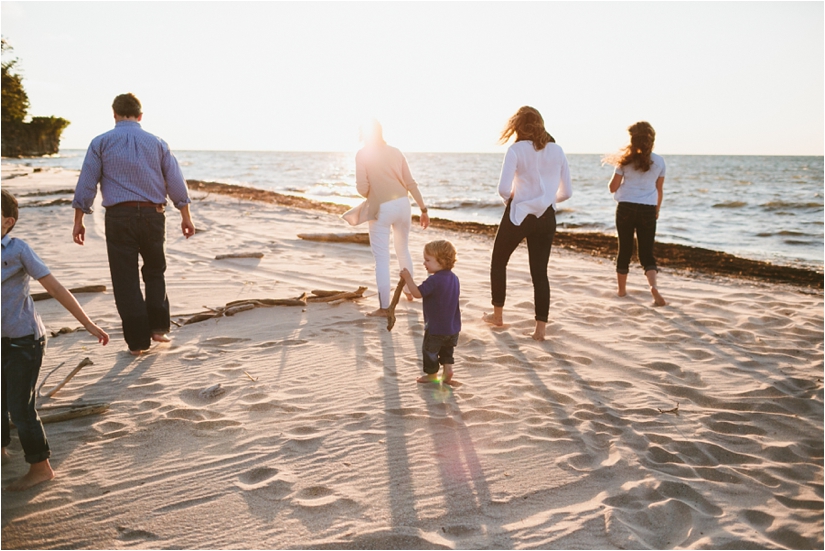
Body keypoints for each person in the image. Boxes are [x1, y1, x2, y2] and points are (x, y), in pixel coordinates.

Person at [72, 93, 195, 355]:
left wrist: (79, 219)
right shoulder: (158, 143)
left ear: (114, 114)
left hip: (119, 217)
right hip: (153, 215)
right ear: (140, 116)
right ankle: (158, 328)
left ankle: (138, 343)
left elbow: (87, 183)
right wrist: (186, 216)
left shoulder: (100, 142)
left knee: (125, 279)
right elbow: (175, 181)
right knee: (154, 271)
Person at [2, 190, 109, 491]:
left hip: (24, 341)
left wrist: (87, 323)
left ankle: (40, 468)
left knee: (19, 406)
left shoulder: (18, 250)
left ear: (7, 222)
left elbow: (54, 287)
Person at [482, 106, 572, 341]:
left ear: (517, 126)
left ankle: (498, 315)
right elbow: (567, 192)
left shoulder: (516, 150)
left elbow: (503, 189)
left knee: (499, 262)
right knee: (540, 273)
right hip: (547, 217)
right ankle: (540, 331)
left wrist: (512, 200)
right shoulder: (558, 150)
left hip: (518, 215)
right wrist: (548, 200)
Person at [355, 119, 429, 317]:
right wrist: (423, 209)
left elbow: (362, 188)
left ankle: (384, 307)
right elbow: (411, 183)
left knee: (382, 259)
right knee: (403, 249)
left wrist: (375, 191)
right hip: (404, 205)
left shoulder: (362, 154)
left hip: (382, 207)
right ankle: (409, 291)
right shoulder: (396, 152)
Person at [605, 121, 667, 306]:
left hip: (625, 207)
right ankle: (653, 287)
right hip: (648, 209)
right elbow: (659, 189)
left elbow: (612, 188)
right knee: (646, 253)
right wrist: (656, 210)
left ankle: (622, 291)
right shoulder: (660, 161)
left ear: (633, 139)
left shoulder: (624, 161)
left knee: (624, 249)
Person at [400, 240, 461, 384]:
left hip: (435, 328)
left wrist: (408, 279)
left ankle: (432, 375)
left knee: (430, 351)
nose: (424, 263)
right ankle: (448, 370)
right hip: (453, 327)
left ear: (441, 261)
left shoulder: (434, 281)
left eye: (427, 260)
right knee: (447, 350)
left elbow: (417, 293)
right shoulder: (454, 278)